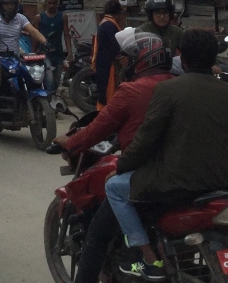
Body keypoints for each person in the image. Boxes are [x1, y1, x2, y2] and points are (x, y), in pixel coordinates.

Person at [104, 29, 228, 281]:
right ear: (213, 59)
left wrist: (121, 166)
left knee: (114, 187)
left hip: (178, 183)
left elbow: (145, 140)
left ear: (183, 59)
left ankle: (148, 258)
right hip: (226, 183)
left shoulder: (168, 90)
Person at [55, 30, 177, 283]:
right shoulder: (178, 84)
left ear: (142, 59)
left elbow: (98, 129)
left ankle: (144, 257)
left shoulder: (132, 90)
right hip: (184, 172)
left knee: (96, 235)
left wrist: (70, 142)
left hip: (147, 174)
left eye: (127, 58)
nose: (124, 64)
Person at [0, 0, 47, 117]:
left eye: (12, 4)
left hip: (15, 57)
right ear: (0, 5)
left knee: (31, 75)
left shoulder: (20, 18)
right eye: (7, 4)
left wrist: (46, 42)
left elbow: (33, 31)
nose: (10, 7)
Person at [35, 0, 70, 94]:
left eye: (54, 3)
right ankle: (49, 99)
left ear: (57, 3)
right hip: (44, 54)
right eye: (50, 3)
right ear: (46, 2)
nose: (52, 5)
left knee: (56, 81)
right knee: (49, 79)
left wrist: (70, 52)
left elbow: (66, 35)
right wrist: (33, 52)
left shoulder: (63, 17)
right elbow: (35, 36)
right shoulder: (39, 18)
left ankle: (52, 97)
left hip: (58, 54)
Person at [92, 0, 124, 109]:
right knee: (108, 94)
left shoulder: (104, 23)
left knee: (103, 94)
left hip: (102, 64)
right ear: (118, 13)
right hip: (108, 66)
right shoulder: (110, 25)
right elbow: (116, 47)